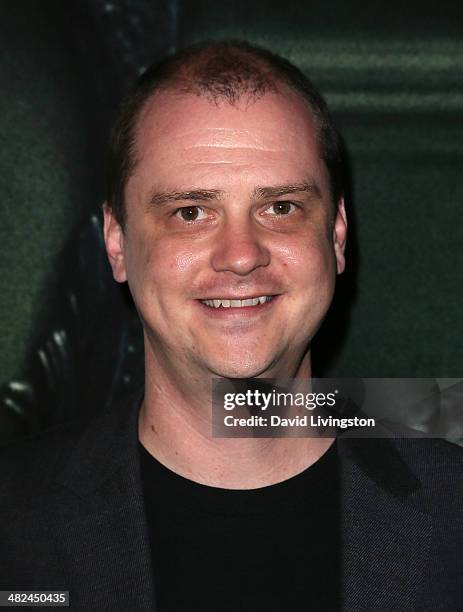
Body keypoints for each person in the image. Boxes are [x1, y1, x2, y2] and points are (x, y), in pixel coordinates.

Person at [0, 41, 462, 612]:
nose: (241, 256)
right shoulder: (14, 525)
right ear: (116, 242)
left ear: (337, 234)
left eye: (281, 207)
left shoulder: (453, 513)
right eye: (190, 212)